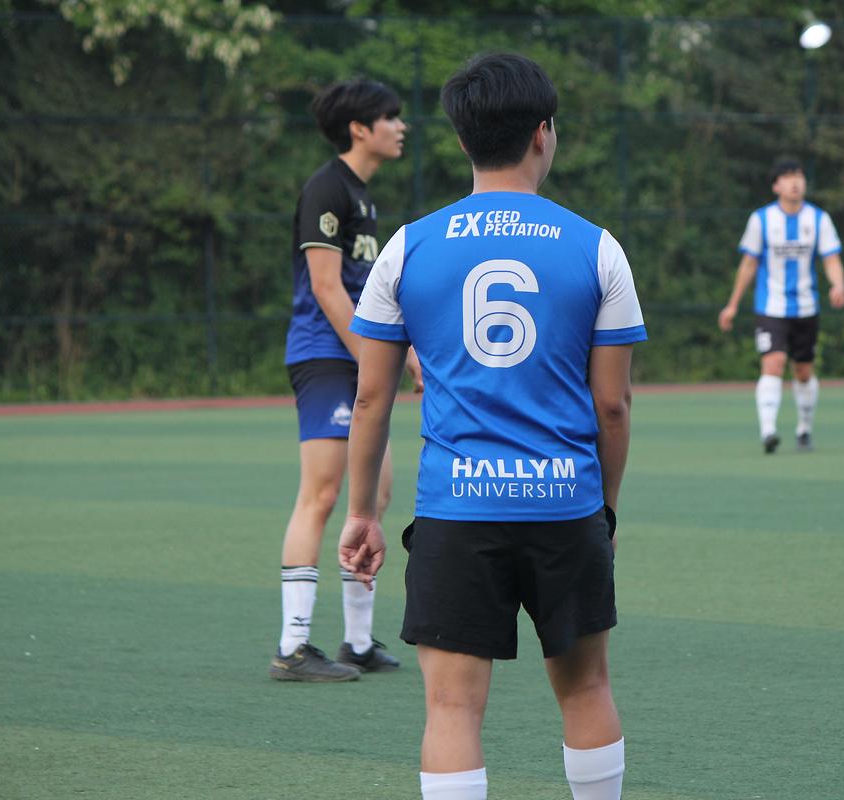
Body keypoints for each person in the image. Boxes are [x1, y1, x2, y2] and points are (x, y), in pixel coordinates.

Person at [340, 53, 646, 800]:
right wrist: (602, 511)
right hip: (565, 504)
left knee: (451, 709)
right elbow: (612, 407)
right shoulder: (597, 247)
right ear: (544, 132)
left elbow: (372, 399)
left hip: (456, 510)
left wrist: (362, 512)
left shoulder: (407, 247)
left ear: (461, 139)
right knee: (586, 690)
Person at [269, 79, 421, 683]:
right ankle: (292, 647)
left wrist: (402, 354)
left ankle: (357, 642)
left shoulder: (361, 195)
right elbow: (327, 287)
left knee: (375, 493)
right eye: (391, 117)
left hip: (356, 358)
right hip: (326, 356)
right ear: (360, 129)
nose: (400, 126)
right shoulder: (327, 187)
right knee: (323, 494)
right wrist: (374, 357)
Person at [717, 156, 844, 454]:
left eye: (799, 176)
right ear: (776, 186)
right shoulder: (761, 220)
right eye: (787, 177)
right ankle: (768, 431)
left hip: (806, 307)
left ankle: (804, 430)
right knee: (773, 362)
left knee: (803, 371)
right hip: (771, 307)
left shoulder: (818, 219)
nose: (795, 182)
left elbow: (831, 259)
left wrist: (838, 284)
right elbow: (749, 264)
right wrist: (732, 305)